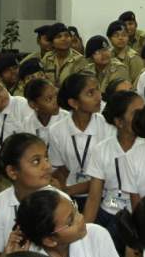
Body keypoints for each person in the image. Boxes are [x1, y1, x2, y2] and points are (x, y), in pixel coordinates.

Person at [83, 90, 145, 253]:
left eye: (144, 111)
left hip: (140, 214)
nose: (143, 117)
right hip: (109, 211)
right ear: (119, 122)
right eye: (136, 113)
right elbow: (94, 197)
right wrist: (84, 235)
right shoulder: (101, 149)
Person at [0, 133, 60, 257]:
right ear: (12, 172)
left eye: (46, 158)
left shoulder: (60, 201)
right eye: (36, 161)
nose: (47, 166)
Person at [48, 74, 114, 207]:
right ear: (74, 103)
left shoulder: (107, 126)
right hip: (71, 195)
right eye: (90, 93)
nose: (99, 97)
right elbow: (61, 169)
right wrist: (64, 192)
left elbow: (109, 174)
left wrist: (69, 190)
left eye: (98, 89)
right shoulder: (56, 130)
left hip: (104, 195)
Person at [20, 77, 65, 143]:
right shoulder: (26, 125)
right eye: (49, 99)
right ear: (33, 105)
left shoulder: (67, 118)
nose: (56, 101)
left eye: (56, 95)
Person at [108, 20, 145, 85]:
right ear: (109, 38)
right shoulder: (108, 55)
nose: (120, 38)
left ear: (128, 37)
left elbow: (137, 83)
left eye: (124, 35)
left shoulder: (134, 58)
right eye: (116, 35)